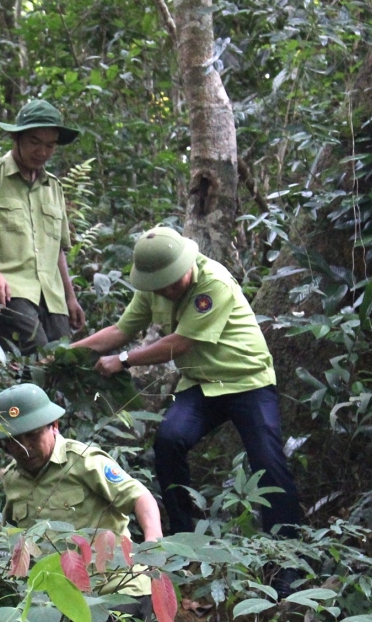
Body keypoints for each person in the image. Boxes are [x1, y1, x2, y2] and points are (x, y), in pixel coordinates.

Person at [71, 226, 304, 593]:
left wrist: (125, 360)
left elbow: (179, 344)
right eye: (158, 284)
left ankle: (288, 561)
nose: (166, 290)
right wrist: (67, 354)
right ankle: (185, 539)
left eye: (170, 281)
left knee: (268, 463)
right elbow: (121, 330)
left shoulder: (214, 282)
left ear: (186, 263)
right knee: (169, 442)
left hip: (248, 381)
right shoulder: (152, 289)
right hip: (200, 386)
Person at [0, 383, 161, 610]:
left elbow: (140, 497)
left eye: (33, 435)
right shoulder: (11, 478)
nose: (25, 448)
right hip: (59, 602)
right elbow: (14, 538)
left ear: (54, 426)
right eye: (15, 440)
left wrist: (153, 546)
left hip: (117, 591)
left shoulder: (84, 461)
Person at [0, 100, 86, 355]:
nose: (42, 152)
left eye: (50, 145)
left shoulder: (54, 188)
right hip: (9, 290)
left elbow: (56, 249)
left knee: (63, 363)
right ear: (17, 139)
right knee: (35, 357)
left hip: (51, 297)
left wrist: (70, 297)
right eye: (34, 142)